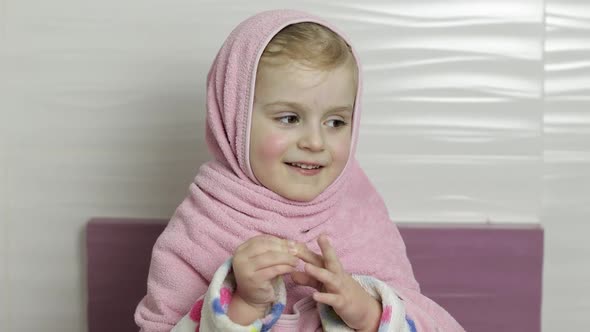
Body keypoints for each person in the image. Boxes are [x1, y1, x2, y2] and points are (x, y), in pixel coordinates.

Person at [135, 9, 465, 332]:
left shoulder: (363, 217)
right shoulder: (199, 228)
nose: (315, 141)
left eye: (335, 122)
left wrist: (368, 313)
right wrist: (241, 307)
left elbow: (423, 317)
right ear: (235, 120)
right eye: (290, 118)